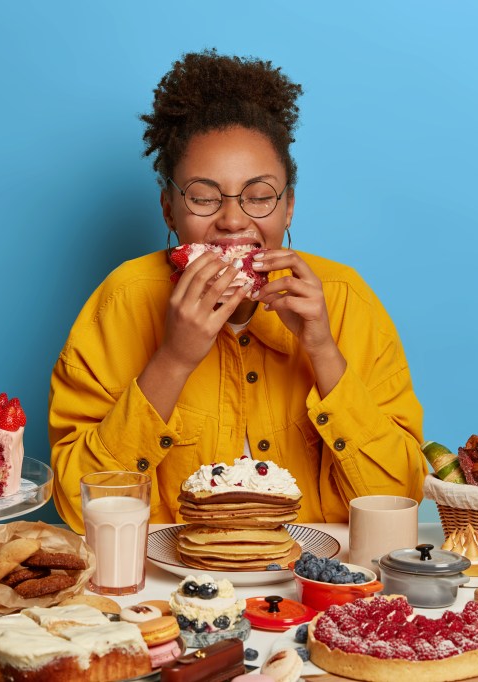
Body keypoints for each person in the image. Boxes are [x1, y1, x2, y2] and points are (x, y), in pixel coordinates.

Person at [49, 50, 425, 533]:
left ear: (288, 207)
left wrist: (323, 351)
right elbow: (80, 508)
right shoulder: (122, 301)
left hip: (313, 590)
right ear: (169, 209)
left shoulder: (347, 299)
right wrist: (174, 360)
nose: (231, 219)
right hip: (165, 590)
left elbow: (399, 502)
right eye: (204, 197)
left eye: (260, 196)